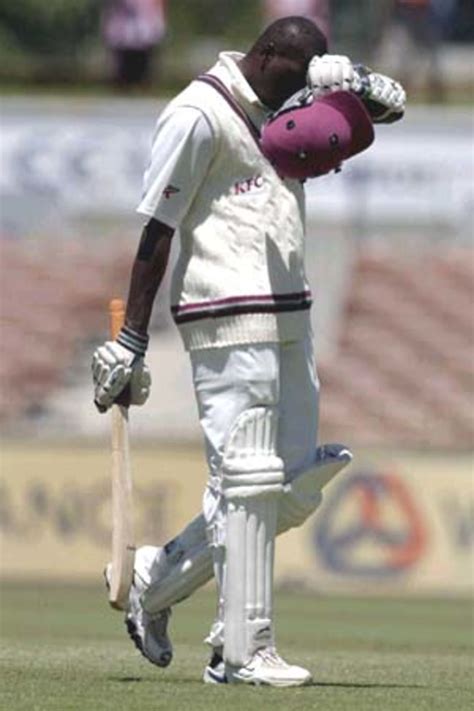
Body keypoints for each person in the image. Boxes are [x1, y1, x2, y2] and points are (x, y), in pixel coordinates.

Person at [92, 16, 405, 687]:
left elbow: (373, 117)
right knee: (249, 477)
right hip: (222, 308)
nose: (301, 96)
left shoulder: (287, 96)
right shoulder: (198, 113)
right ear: (266, 55)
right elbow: (157, 228)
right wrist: (132, 341)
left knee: (289, 487)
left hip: (290, 304)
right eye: (297, 75)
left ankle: (159, 576)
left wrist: (350, 83)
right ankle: (240, 647)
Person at [102, 0, 167, 88]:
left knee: (142, 62)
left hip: (144, 28)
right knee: (124, 64)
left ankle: (141, 82)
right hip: (123, 30)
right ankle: (125, 82)